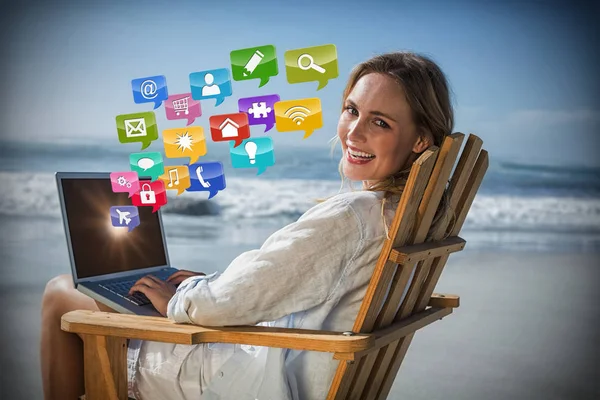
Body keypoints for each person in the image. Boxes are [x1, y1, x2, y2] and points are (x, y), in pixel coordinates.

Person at [40, 51, 455, 400]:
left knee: (62, 293)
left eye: (380, 122)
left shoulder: (354, 215)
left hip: (251, 381)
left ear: (420, 140)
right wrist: (206, 284)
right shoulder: (400, 216)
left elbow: (218, 306)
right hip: (285, 363)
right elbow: (282, 284)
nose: (354, 132)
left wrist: (182, 298)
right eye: (351, 110)